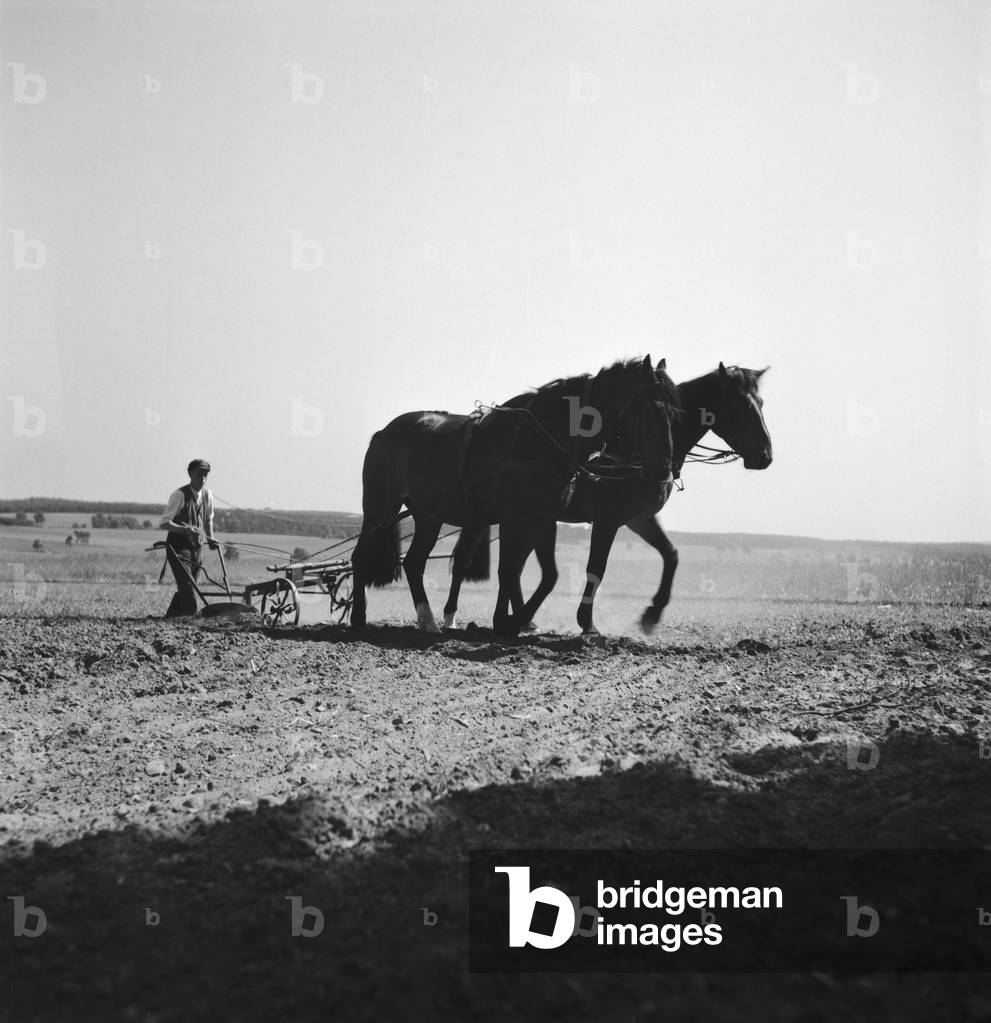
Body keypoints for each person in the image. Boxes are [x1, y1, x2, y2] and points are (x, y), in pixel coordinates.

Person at [159, 459, 219, 618]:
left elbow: (208, 519)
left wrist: (211, 538)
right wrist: (184, 529)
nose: (203, 479)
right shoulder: (179, 495)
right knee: (189, 587)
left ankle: (171, 618)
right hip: (178, 548)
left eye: (206, 475)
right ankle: (190, 621)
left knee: (189, 587)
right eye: (199, 474)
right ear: (190, 474)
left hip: (197, 548)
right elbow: (164, 523)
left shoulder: (208, 496)